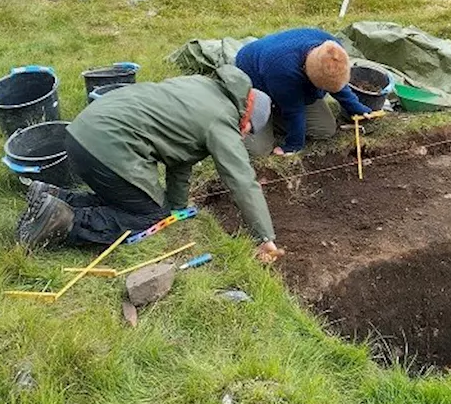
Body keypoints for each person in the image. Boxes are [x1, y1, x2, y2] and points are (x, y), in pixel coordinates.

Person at [14, 66, 284, 263]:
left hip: (81, 132)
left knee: (134, 200)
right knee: (148, 216)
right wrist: (265, 238)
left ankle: (55, 197)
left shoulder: (202, 86)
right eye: (248, 130)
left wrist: (177, 207)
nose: (244, 135)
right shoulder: (222, 121)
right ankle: (65, 222)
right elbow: (242, 182)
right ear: (246, 115)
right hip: (107, 148)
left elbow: (182, 156)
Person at [234, 28, 373, 156]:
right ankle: (260, 115)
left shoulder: (333, 50)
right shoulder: (282, 70)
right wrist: (294, 145)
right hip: (254, 84)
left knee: (324, 129)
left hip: (283, 80)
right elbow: (294, 111)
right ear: (309, 76)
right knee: (260, 149)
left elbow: (336, 80)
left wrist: (356, 107)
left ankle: (277, 113)